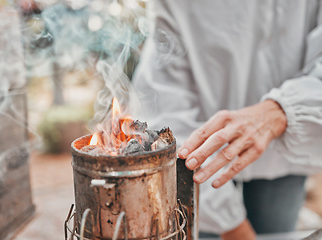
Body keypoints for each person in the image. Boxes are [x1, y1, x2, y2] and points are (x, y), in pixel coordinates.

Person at [132, 1, 322, 239]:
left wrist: (281, 111)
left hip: (285, 149)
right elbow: (165, 107)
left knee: (277, 230)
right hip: (203, 162)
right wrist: (231, 225)